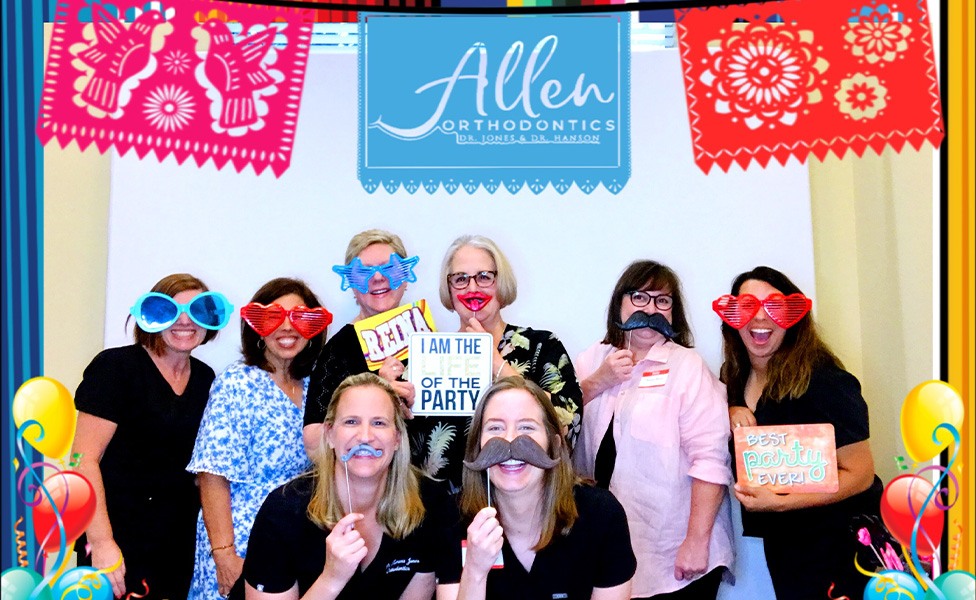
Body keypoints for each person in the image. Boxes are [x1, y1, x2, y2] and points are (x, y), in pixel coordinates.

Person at [718, 266, 883, 600]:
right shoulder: (734, 377)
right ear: (733, 317)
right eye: (747, 306)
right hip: (786, 546)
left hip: (840, 543)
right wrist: (731, 407)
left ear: (792, 317)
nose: (760, 317)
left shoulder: (825, 381)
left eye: (774, 306)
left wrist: (780, 504)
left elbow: (861, 473)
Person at [572, 261, 734, 599]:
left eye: (663, 301)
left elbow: (711, 458)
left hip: (675, 555)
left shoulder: (687, 367)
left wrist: (696, 541)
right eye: (640, 297)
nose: (651, 309)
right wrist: (599, 380)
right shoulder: (590, 359)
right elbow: (553, 421)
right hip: (609, 551)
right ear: (620, 302)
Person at [72, 273, 231, 599]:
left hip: (176, 542)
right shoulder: (115, 368)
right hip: (117, 539)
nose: (185, 321)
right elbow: (82, 460)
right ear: (152, 315)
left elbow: (201, 470)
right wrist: (102, 543)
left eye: (197, 311)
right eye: (172, 310)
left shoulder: (206, 379)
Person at [242, 373, 461, 599]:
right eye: (351, 422)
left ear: (397, 438)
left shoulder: (430, 503)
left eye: (379, 423)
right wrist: (332, 578)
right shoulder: (283, 512)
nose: (365, 437)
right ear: (329, 435)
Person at [187, 278, 331, 598]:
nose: (287, 327)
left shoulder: (316, 386)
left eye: (300, 317)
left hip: (294, 539)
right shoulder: (236, 382)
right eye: (274, 317)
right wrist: (224, 554)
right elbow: (211, 475)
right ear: (255, 326)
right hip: (240, 541)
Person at [441, 377, 636, 600]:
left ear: (553, 445)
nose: (510, 441)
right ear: (477, 447)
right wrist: (474, 572)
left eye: (526, 427)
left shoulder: (601, 515)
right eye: (495, 428)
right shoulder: (453, 518)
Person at [420, 234, 582, 490]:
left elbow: (565, 425)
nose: (472, 289)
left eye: (484, 277)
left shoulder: (543, 346)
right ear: (449, 289)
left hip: (527, 506)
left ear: (501, 282)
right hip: (443, 514)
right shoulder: (428, 355)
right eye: (460, 279)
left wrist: (497, 366)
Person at [304, 230, 418, 458]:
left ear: (405, 276)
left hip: (433, 484)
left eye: (389, 268)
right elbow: (314, 442)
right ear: (352, 284)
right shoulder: (339, 350)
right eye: (363, 272)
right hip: (366, 486)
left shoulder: (427, 336)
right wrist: (377, 393)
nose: (377, 278)